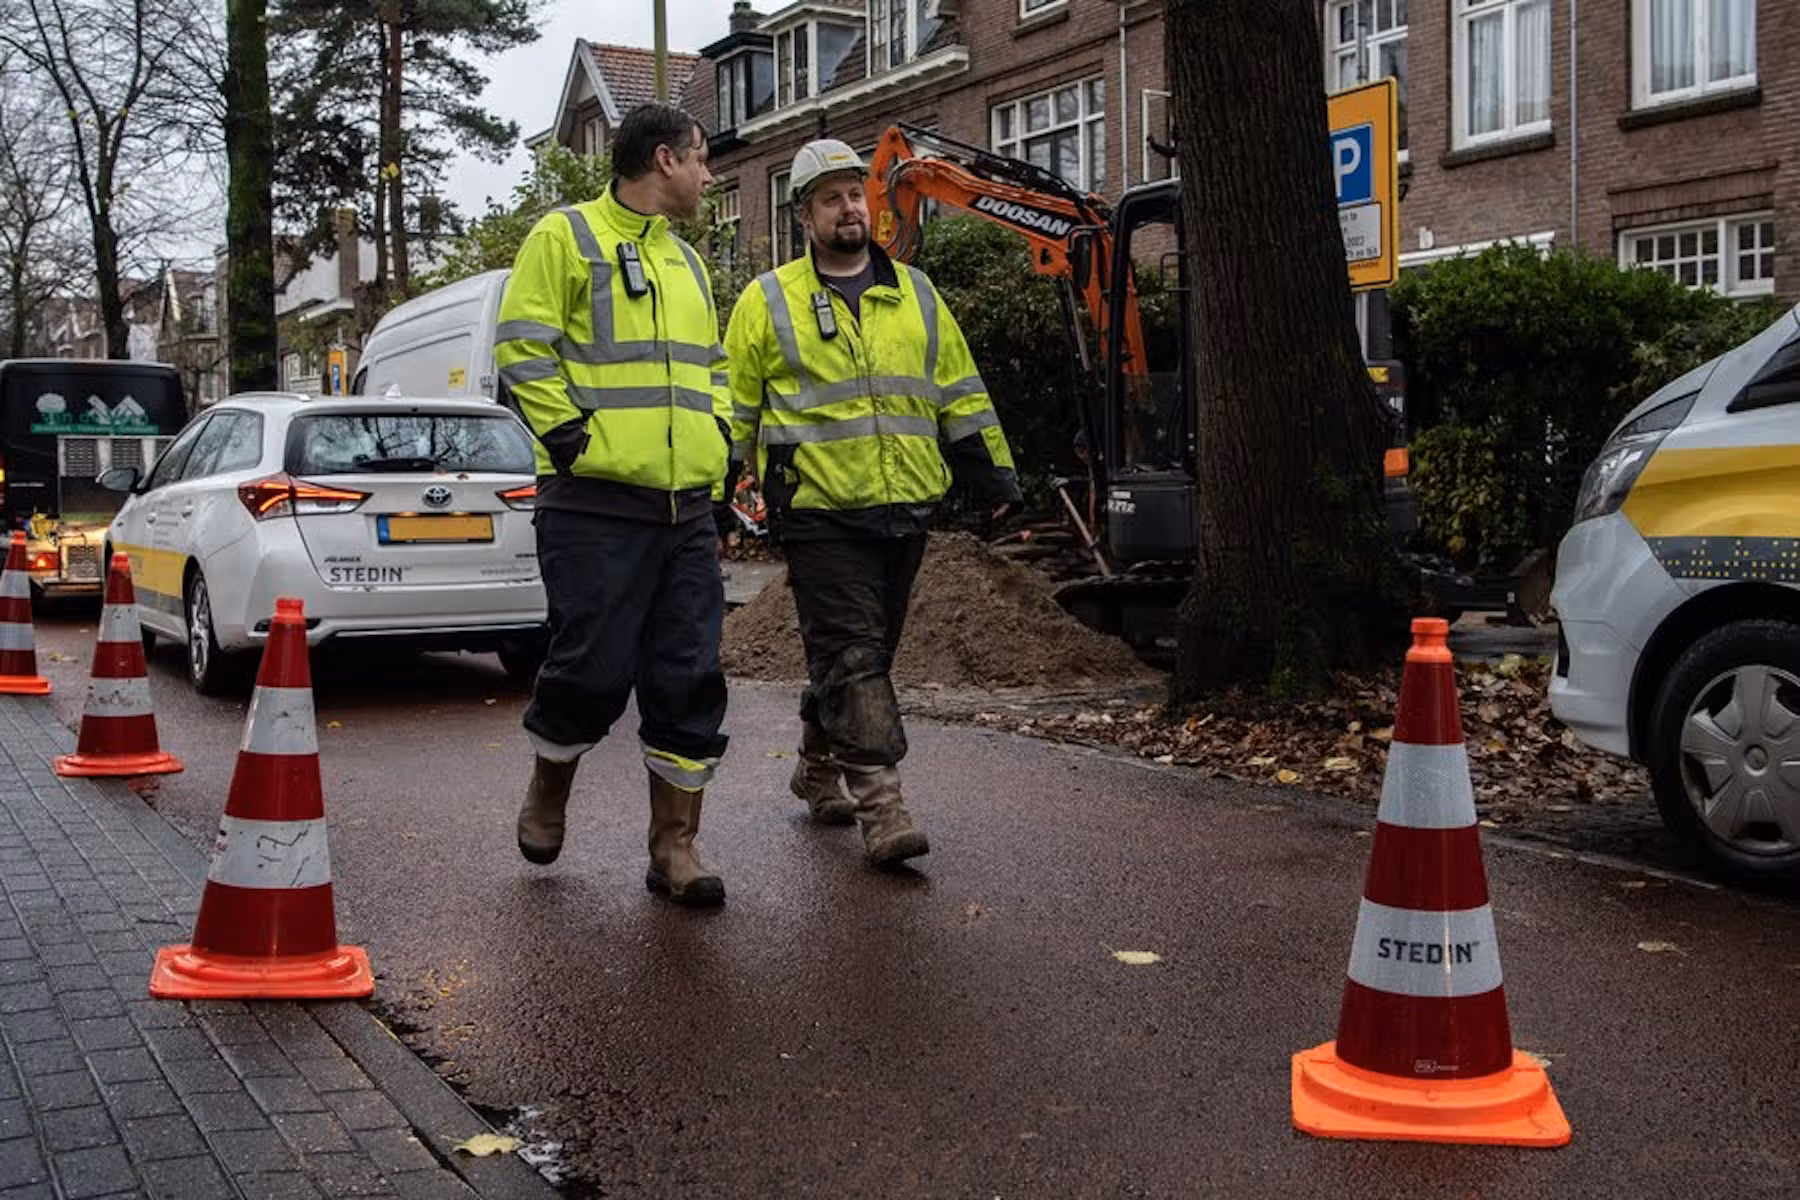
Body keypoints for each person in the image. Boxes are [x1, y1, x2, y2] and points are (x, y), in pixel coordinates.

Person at [723, 139, 1022, 867]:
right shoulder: (768, 301)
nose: (849, 207)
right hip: (818, 511)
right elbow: (734, 411)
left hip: (907, 505)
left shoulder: (916, 293)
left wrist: (995, 479)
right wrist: (720, 491)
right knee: (854, 655)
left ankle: (816, 766)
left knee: (863, 654)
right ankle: (883, 809)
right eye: (831, 198)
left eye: (856, 193)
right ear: (805, 216)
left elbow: (960, 392)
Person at [496, 104, 733, 907]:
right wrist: (569, 435)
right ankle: (549, 786)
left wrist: (719, 440)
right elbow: (522, 344)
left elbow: (713, 367)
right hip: (592, 503)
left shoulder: (686, 262)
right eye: (701, 158)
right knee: (591, 671)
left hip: (685, 508)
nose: (708, 175)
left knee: (690, 674)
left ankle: (675, 846)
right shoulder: (564, 237)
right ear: (664, 159)